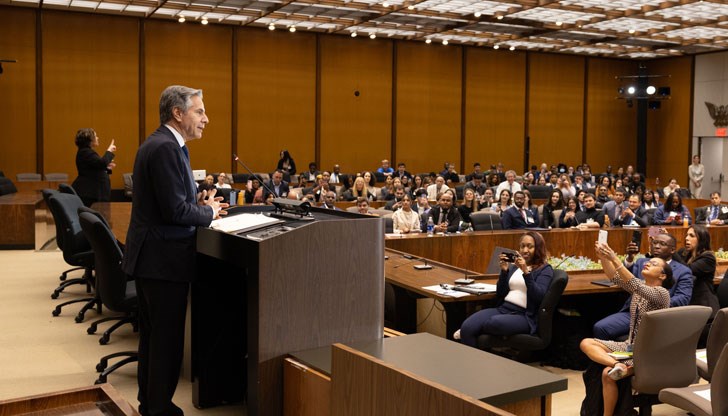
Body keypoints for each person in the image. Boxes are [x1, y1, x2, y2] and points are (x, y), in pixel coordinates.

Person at [121, 85, 227, 416]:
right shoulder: (166, 147)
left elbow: (171, 202)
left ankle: (151, 404)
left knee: (154, 339)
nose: (206, 119)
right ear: (178, 113)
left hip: (154, 258)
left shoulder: (165, 144)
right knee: (165, 342)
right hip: (163, 261)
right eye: (200, 111)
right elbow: (174, 212)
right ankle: (159, 409)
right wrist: (208, 213)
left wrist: (198, 204)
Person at [580, 241, 672, 416]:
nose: (648, 263)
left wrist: (614, 257)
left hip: (647, 353)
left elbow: (635, 284)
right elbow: (614, 277)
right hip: (629, 346)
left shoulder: (662, 294)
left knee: (607, 374)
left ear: (662, 276)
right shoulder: (640, 288)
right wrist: (603, 257)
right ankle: (618, 365)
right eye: (648, 261)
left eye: (654, 264)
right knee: (586, 343)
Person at [456, 231, 553, 346]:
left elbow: (538, 296)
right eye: (522, 246)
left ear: (538, 248)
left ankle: (478, 331)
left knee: (493, 323)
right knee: (467, 327)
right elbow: (500, 293)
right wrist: (504, 271)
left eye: (530, 246)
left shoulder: (545, 269)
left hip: (524, 315)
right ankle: (472, 357)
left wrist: (526, 272)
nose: (525, 250)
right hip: (503, 309)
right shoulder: (514, 266)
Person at [592, 233, 693, 340]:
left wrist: (658, 304)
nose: (657, 246)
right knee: (593, 334)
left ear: (672, 250)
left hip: (658, 316)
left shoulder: (679, 275)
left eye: (662, 244)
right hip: (633, 312)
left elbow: (682, 298)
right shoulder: (643, 264)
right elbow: (618, 278)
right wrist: (603, 258)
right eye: (654, 243)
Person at [676, 225, 720, 318]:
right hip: (689, 305)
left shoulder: (708, 258)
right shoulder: (684, 253)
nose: (686, 238)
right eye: (687, 235)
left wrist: (671, 250)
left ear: (702, 239)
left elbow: (687, 270)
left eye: (691, 236)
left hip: (705, 308)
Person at [71, 128, 116, 207]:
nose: (97, 138)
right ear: (89, 140)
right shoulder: (85, 152)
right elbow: (102, 163)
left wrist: (107, 169)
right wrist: (109, 150)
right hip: (90, 193)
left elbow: (96, 168)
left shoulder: (87, 152)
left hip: (94, 192)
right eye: (95, 136)